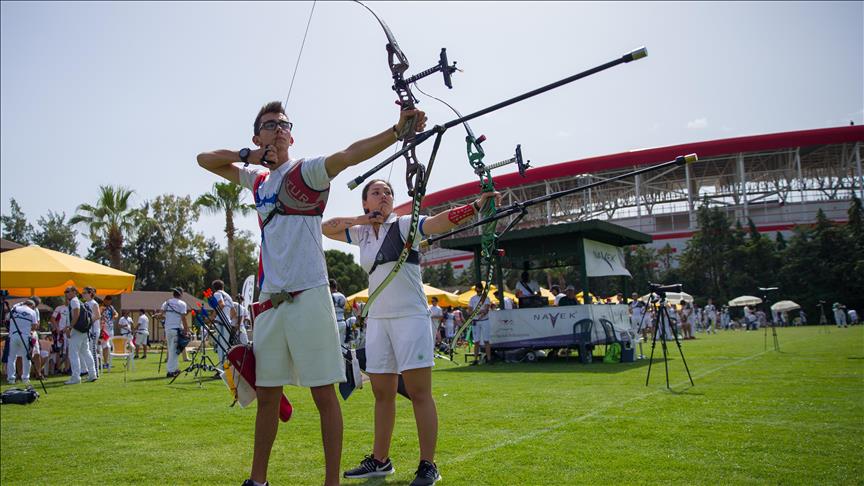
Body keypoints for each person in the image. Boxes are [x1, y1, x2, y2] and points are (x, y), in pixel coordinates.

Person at [198, 100, 427, 486]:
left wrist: (395, 132)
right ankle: (258, 481)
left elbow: (349, 155)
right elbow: (204, 159)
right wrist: (250, 156)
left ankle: (331, 483)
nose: (279, 129)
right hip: (270, 302)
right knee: (268, 396)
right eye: (269, 125)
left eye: (284, 124)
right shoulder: (256, 180)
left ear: (292, 134)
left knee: (324, 395)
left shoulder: (307, 171)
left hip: (310, 296)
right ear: (258, 136)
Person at [322, 176, 498, 486]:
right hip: (379, 321)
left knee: (418, 392)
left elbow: (438, 222)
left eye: (388, 192)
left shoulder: (405, 224)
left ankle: (428, 464)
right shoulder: (360, 233)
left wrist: (474, 206)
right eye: (376, 192)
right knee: (382, 393)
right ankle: (380, 460)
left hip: (411, 318)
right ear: (366, 202)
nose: (384, 195)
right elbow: (326, 227)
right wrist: (365, 219)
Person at [65, 287, 98, 384]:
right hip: (83, 331)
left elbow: (76, 314)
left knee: (73, 354)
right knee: (86, 352)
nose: (66, 293)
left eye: (68, 291)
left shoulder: (74, 301)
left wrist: (70, 327)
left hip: (76, 331)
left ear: (74, 292)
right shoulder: (79, 301)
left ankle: (76, 377)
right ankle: (92, 374)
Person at [6, 298, 40, 386]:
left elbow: (7, 318)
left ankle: (11, 379)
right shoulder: (32, 312)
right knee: (27, 358)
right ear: (32, 306)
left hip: (13, 336)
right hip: (25, 336)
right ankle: (25, 378)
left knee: (11, 358)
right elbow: (35, 325)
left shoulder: (15, 308)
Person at [158, 288, 190, 378]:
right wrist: (186, 330)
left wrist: (158, 316)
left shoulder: (166, 302)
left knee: (173, 350)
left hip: (168, 329)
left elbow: (161, 315)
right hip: (176, 329)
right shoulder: (182, 304)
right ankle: (170, 371)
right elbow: (183, 318)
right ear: (181, 294)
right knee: (174, 351)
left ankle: (175, 369)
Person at [210, 280, 236, 367]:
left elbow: (221, 304)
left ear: (214, 288)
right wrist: (229, 319)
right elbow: (234, 312)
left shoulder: (217, 294)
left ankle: (222, 369)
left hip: (221, 322)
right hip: (227, 323)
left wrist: (213, 316)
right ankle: (225, 367)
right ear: (223, 286)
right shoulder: (228, 296)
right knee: (225, 346)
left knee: (221, 347)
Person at [469, 283, 493, 365]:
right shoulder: (472, 299)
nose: (478, 292)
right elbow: (470, 311)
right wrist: (479, 313)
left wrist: (478, 313)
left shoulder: (486, 298)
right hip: (475, 322)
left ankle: (489, 359)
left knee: (486, 340)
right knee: (476, 342)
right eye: (477, 290)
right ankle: (475, 360)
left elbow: (486, 310)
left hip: (485, 321)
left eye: (480, 290)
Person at [81, 287, 103, 376]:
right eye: (82, 292)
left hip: (93, 330)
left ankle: (96, 372)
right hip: (88, 330)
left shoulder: (94, 303)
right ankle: (87, 370)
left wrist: (88, 321)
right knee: (87, 351)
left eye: (85, 292)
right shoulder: (85, 303)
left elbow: (97, 316)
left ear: (90, 293)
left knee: (92, 351)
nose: (83, 294)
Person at [100, 295, 117, 370]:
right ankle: (105, 363)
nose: (108, 302)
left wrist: (115, 316)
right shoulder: (101, 307)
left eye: (109, 301)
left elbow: (116, 314)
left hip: (110, 329)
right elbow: (99, 315)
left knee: (109, 346)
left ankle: (108, 363)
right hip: (104, 330)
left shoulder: (111, 307)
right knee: (105, 347)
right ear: (104, 300)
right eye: (107, 300)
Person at [330, 279, 348, 344]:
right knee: (342, 345)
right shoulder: (342, 296)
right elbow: (345, 309)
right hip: (343, 322)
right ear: (336, 286)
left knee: (334, 345)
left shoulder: (330, 296)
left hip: (335, 323)